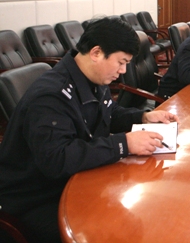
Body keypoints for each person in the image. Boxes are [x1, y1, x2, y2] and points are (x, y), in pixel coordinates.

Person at [0, 17, 179, 243]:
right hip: (36, 197)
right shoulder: (50, 95)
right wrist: (124, 144)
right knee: (112, 232)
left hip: (75, 179)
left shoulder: (92, 77)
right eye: (121, 62)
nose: (123, 71)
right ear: (96, 53)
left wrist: (143, 116)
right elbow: (57, 159)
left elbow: (108, 113)